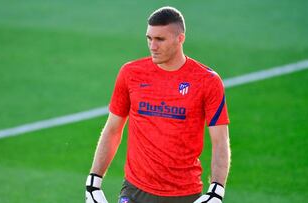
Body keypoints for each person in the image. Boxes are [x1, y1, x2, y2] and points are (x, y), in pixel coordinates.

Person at [85, 6, 231, 203]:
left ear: (180, 39)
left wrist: (216, 191)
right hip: (134, 190)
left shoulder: (207, 81)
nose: (152, 46)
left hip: (184, 195)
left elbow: (220, 141)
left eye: (160, 39)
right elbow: (112, 130)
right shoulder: (130, 73)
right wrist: (93, 181)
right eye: (149, 38)